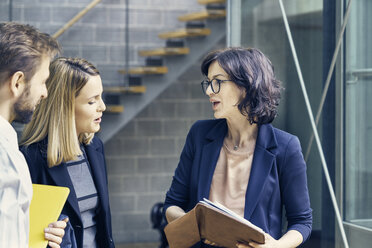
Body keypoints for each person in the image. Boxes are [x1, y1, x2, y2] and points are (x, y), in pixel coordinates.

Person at [163, 47, 312, 248]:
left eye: (217, 82)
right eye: (208, 83)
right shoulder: (199, 135)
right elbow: (172, 204)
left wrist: (275, 246)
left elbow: (302, 222)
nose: (209, 91)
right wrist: (196, 226)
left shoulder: (286, 147)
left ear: (247, 85)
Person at [20, 57, 115, 248]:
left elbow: (102, 227)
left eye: (101, 97)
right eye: (91, 101)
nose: (102, 107)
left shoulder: (95, 147)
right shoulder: (29, 159)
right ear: (64, 108)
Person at [0, 22, 68, 248]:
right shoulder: (6, 160)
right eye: (43, 82)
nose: (45, 93)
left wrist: (33, 231)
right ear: (17, 82)